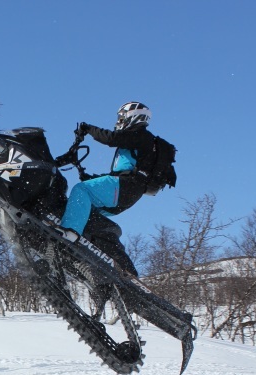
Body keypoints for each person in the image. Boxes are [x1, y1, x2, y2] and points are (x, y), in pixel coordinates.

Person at [54, 102, 170, 278]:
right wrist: (91, 178)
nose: (119, 121)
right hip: (128, 192)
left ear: (134, 117)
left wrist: (88, 128)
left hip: (126, 186)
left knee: (80, 190)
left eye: (122, 117)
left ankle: (69, 234)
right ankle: (122, 266)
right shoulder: (138, 142)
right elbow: (121, 172)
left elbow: (111, 138)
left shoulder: (140, 135)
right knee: (88, 214)